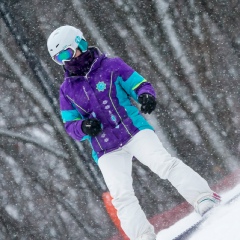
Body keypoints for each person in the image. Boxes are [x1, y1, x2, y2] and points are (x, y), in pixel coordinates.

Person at [47, 25, 221, 240]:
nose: (65, 61)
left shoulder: (110, 66)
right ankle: (142, 236)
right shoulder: (67, 89)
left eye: (66, 53)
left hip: (132, 129)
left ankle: (204, 197)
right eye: (58, 58)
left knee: (163, 163)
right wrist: (83, 127)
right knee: (121, 195)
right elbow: (70, 125)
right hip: (104, 147)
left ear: (79, 44)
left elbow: (138, 84)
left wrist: (146, 96)